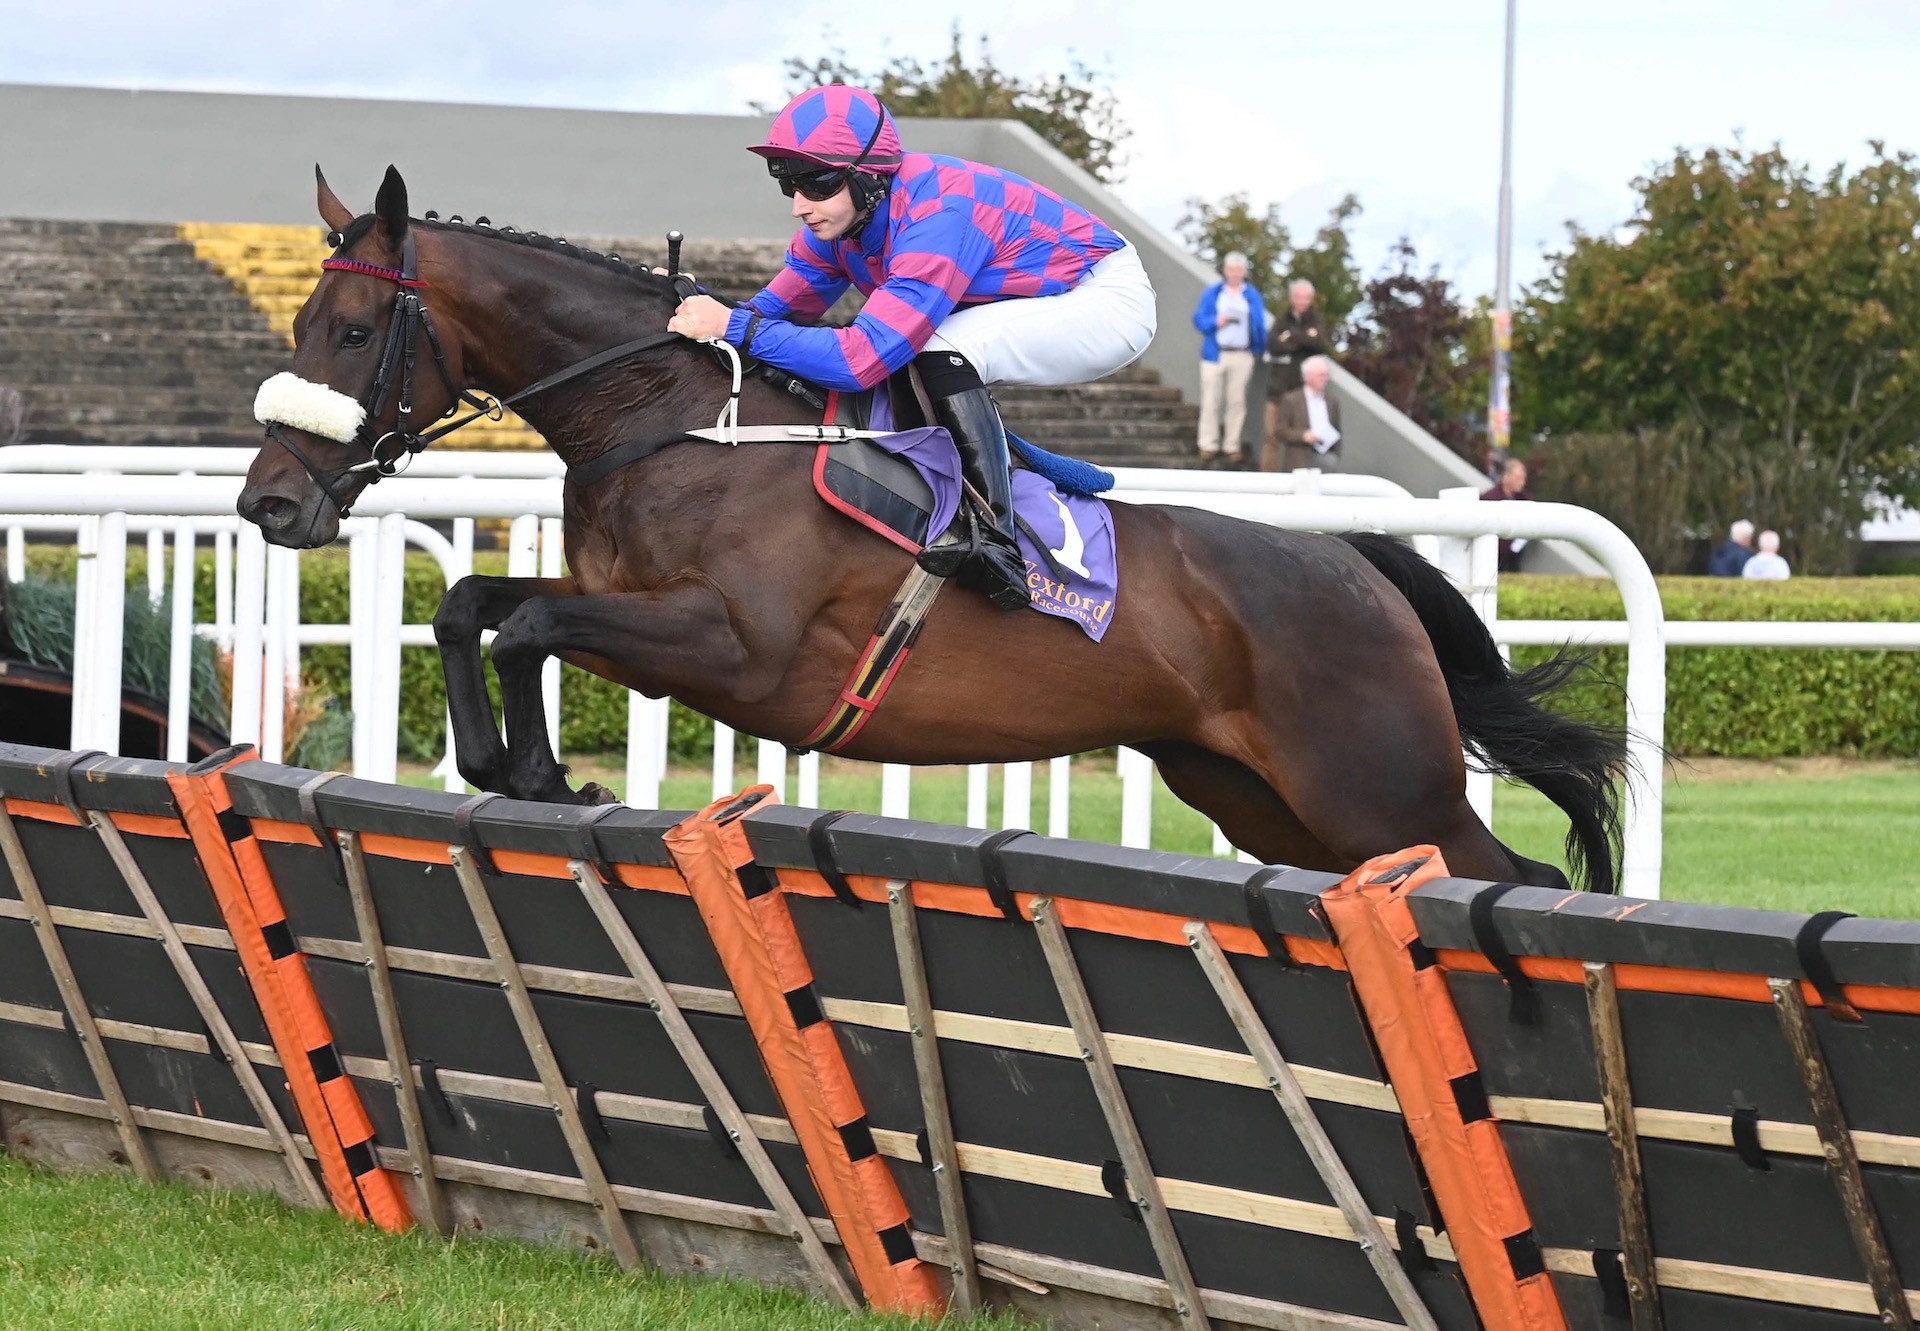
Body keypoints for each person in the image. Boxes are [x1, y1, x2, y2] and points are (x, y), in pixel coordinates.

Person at [665, 85, 1157, 611]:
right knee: (924, 350)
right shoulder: (838, 222)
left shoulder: (937, 217)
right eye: (788, 182)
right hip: (1027, 292)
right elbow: (769, 314)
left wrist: (733, 326)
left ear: (870, 176)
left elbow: (858, 360)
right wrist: (686, 306)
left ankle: (994, 542)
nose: (799, 205)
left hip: (1103, 297)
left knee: (934, 348)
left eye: (817, 182)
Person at [1192, 252, 1266, 465]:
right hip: (1215, 353)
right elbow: (1199, 320)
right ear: (1225, 270)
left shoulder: (1251, 295)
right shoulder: (1213, 293)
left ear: (1244, 272)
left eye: (1238, 269)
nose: (1234, 273)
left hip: (1242, 354)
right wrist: (1216, 321)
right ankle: (1208, 444)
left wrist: (1258, 348)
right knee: (1210, 399)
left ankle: (1232, 445)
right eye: (1231, 269)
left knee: (1236, 401)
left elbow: (1259, 325)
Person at [1263, 278, 1329, 460]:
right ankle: (1267, 483)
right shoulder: (1282, 319)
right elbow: (1272, 345)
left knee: (1301, 440)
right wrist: (1304, 339)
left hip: (1303, 394)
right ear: (1292, 298)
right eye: (1298, 297)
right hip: (1278, 390)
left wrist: (1291, 337)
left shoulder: (1317, 320)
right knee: (1272, 437)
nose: (1302, 301)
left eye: (1306, 298)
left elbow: (1320, 344)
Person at [1266, 355, 1342, 472]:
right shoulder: (1291, 399)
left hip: (1326, 459)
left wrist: (1335, 455)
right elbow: (1280, 431)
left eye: (1326, 375)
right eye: (1321, 375)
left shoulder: (1332, 402)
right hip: (1299, 460)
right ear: (1308, 376)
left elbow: (1337, 431)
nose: (1325, 379)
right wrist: (1303, 436)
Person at [1479, 457, 1532, 571]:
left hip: (1514, 559)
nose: (1522, 482)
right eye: (1518, 478)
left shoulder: (1522, 499)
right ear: (1506, 477)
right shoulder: (1489, 498)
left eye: (1523, 478)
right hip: (1493, 559)